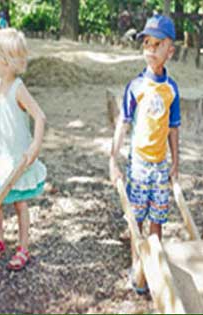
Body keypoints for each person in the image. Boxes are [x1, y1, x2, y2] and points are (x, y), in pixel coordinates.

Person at [109, 15, 180, 293]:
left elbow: (174, 128)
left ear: (170, 51)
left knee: (158, 218)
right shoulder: (136, 86)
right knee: (136, 216)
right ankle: (137, 268)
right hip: (138, 164)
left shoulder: (171, 90)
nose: (150, 49)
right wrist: (113, 158)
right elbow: (123, 123)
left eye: (157, 44)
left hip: (160, 164)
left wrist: (176, 163)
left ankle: (155, 267)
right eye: (146, 43)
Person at [0, 28, 47, 271]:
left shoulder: (18, 88)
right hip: (0, 155)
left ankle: (23, 247)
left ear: (6, 63)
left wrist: (34, 147)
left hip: (18, 157)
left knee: (19, 204)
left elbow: (40, 116)